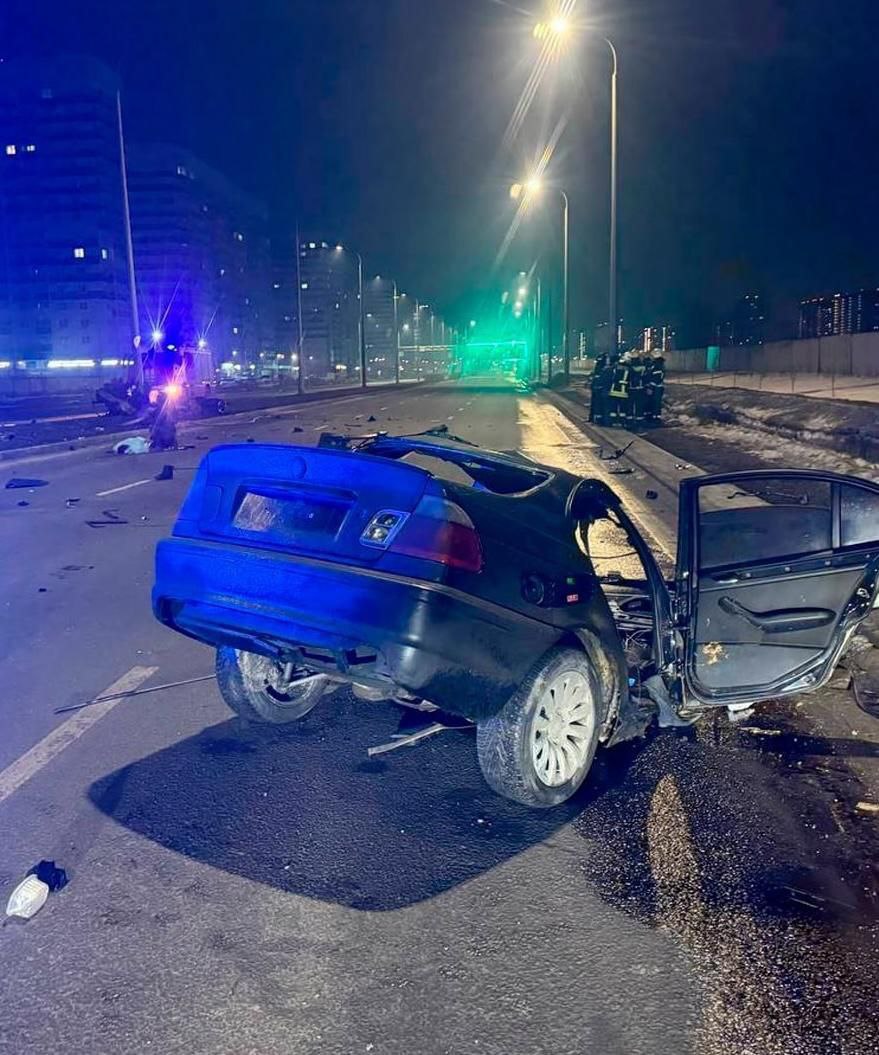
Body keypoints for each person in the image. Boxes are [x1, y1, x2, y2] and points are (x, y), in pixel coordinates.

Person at [608, 353, 630, 427]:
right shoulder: (628, 368)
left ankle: (613, 422)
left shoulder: (614, 367)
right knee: (623, 408)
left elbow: (611, 377)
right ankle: (622, 422)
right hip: (623, 391)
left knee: (613, 407)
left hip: (613, 390)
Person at [588, 353, 611, 425]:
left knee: (596, 404)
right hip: (601, 389)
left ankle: (594, 419)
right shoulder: (605, 369)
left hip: (596, 388)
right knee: (601, 405)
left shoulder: (597, 368)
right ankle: (601, 420)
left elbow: (593, 378)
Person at [627, 349, 648, 428]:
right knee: (639, 406)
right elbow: (645, 378)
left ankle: (630, 421)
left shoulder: (628, 367)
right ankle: (639, 421)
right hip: (640, 388)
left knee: (630, 405)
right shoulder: (643, 367)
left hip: (630, 388)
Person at [646, 351, 666, 423]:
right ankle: (655, 417)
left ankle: (655, 418)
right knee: (656, 403)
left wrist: (650, 387)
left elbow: (656, 379)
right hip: (657, 387)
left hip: (656, 388)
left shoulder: (657, 366)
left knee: (655, 403)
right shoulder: (659, 365)